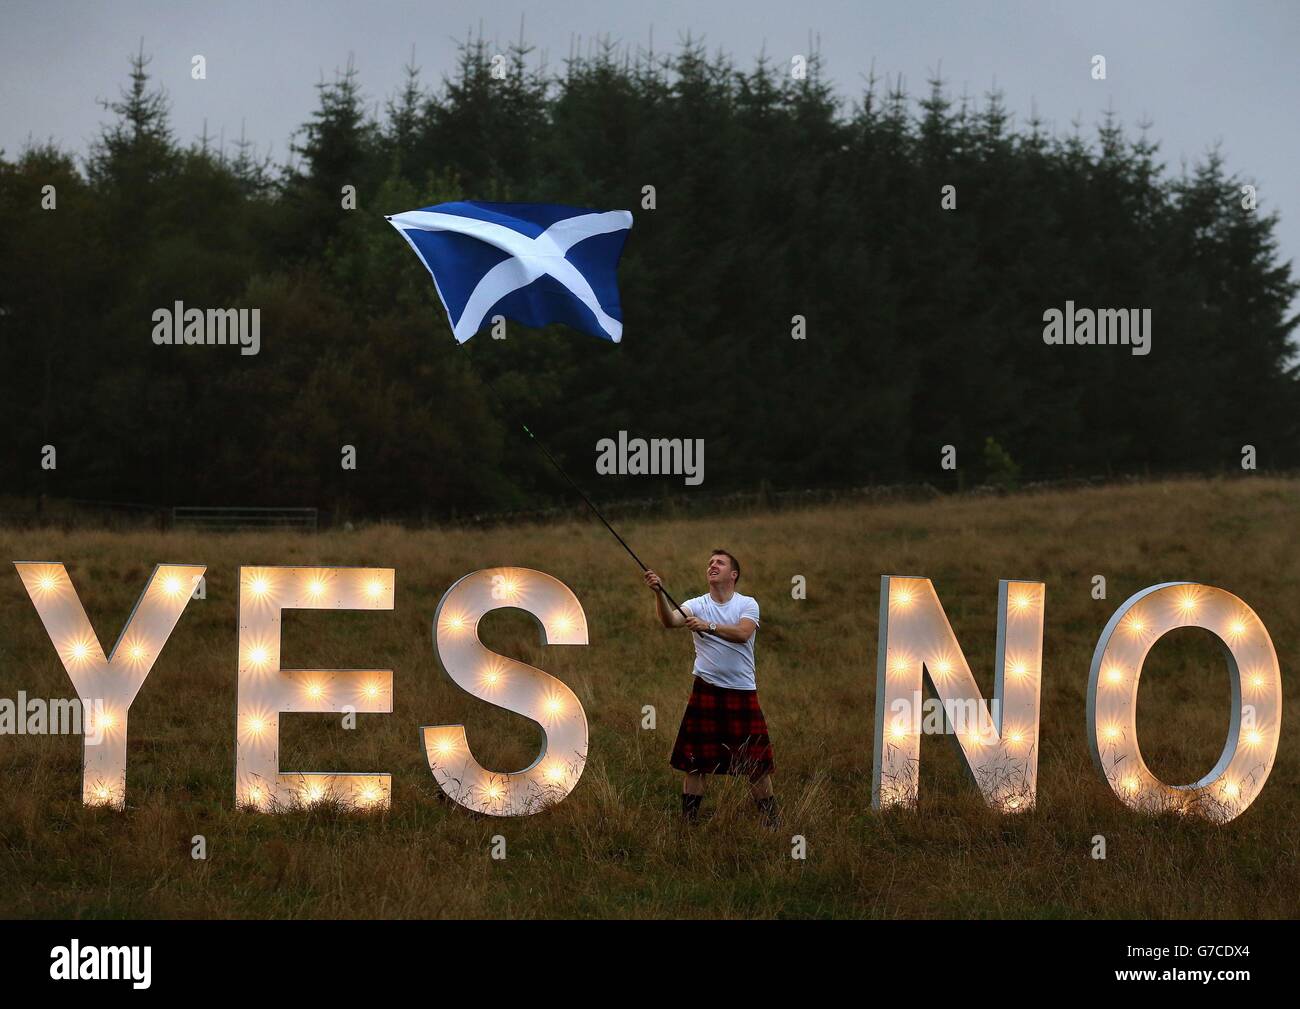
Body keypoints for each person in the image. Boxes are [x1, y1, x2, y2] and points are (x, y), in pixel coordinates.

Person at [644, 549, 778, 827]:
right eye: (710, 563)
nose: (712, 565)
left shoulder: (747, 604)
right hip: (706, 689)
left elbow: (742, 634)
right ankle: (688, 824)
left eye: (720, 562)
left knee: (755, 765)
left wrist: (709, 626)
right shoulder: (696, 604)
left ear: (733, 574)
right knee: (696, 763)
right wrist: (659, 592)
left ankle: (771, 823)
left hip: (741, 692)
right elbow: (670, 621)